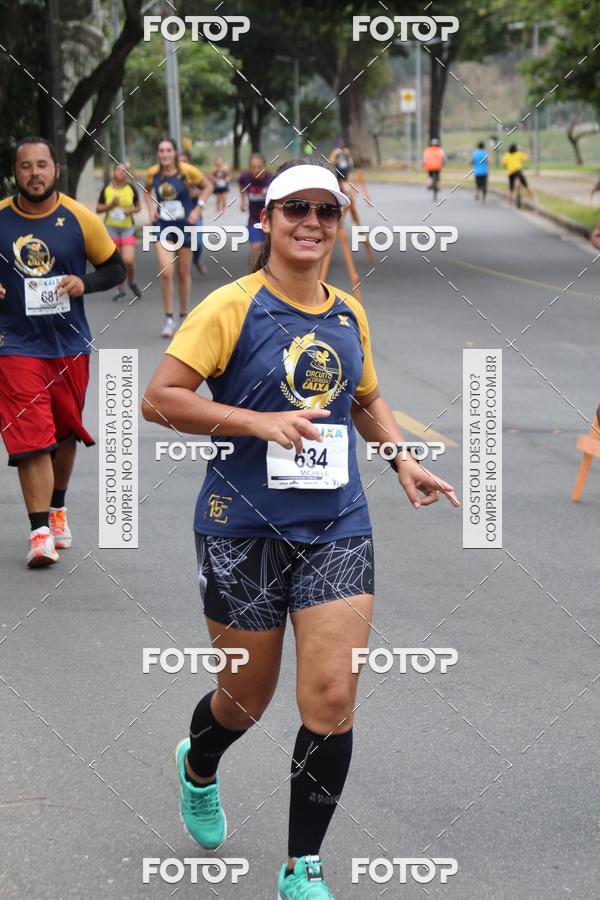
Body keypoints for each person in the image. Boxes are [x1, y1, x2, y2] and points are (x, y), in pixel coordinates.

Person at [142, 159, 459, 898]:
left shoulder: (348, 312)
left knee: (331, 698)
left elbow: (366, 397)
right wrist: (258, 421)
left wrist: (402, 460)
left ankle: (302, 867)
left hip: (336, 527)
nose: (313, 222)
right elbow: (159, 399)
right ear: (267, 219)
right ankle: (200, 762)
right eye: (296, 209)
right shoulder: (229, 306)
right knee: (244, 700)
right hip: (240, 530)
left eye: (327, 210)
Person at [0, 136, 125, 567]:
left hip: (70, 344)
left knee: (63, 433)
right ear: (14, 173)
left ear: (56, 170)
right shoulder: (0, 217)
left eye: (42, 165)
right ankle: (39, 535)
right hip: (14, 344)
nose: (34, 173)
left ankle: (56, 508)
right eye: (25, 166)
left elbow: (115, 268)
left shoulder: (80, 217)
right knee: (31, 437)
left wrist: (83, 283)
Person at [144, 138, 212, 338]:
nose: (165, 154)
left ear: (175, 153)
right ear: (158, 153)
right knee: (166, 272)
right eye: (161, 150)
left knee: (183, 274)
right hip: (163, 226)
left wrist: (198, 209)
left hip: (185, 226)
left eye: (168, 150)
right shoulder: (153, 173)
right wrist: (151, 210)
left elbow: (207, 186)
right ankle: (168, 319)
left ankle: (183, 315)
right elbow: (147, 192)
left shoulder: (187, 171)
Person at [96, 161, 141, 300]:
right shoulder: (107, 188)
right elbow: (98, 209)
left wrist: (130, 210)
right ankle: (120, 289)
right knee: (117, 261)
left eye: (124, 171)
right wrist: (111, 205)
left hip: (127, 228)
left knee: (128, 260)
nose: (121, 173)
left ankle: (131, 282)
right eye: (118, 170)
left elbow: (138, 207)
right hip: (111, 228)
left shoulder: (131, 188)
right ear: (114, 172)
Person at [238, 152, 273, 271]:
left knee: (270, 250)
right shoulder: (246, 177)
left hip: (270, 220)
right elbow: (241, 184)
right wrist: (242, 201)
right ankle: (254, 274)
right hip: (254, 219)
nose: (256, 170)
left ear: (264, 167)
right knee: (256, 247)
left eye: (259, 167)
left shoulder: (271, 179)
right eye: (253, 167)